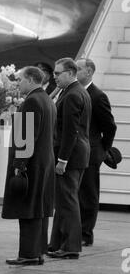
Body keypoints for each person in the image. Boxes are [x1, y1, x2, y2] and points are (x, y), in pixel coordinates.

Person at [3, 67, 57, 266]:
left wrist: (19, 165)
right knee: (40, 210)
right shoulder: (47, 100)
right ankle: (38, 252)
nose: (19, 84)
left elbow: (27, 136)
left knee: (28, 210)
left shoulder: (32, 101)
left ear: (31, 79)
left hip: (32, 164)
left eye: (21, 80)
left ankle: (28, 254)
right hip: (44, 162)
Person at [48, 58, 91, 260]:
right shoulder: (76, 91)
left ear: (71, 73)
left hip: (71, 155)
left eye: (58, 73)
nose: (54, 77)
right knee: (64, 200)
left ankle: (71, 246)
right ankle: (57, 242)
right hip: (78, 153)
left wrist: (62, 160)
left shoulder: (73, 94)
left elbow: (70, 132)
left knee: (68, 201)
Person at [76, 58, 117, 247]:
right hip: (74, 151)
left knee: (88, 194)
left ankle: (86, 233)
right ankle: (73, 230)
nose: (74, 71)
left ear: (89, 72)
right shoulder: (72, 92)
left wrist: (103, 149)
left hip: (91, 152)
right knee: (74, 194)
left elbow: (109, 126)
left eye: (78, 69)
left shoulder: (97, 96)